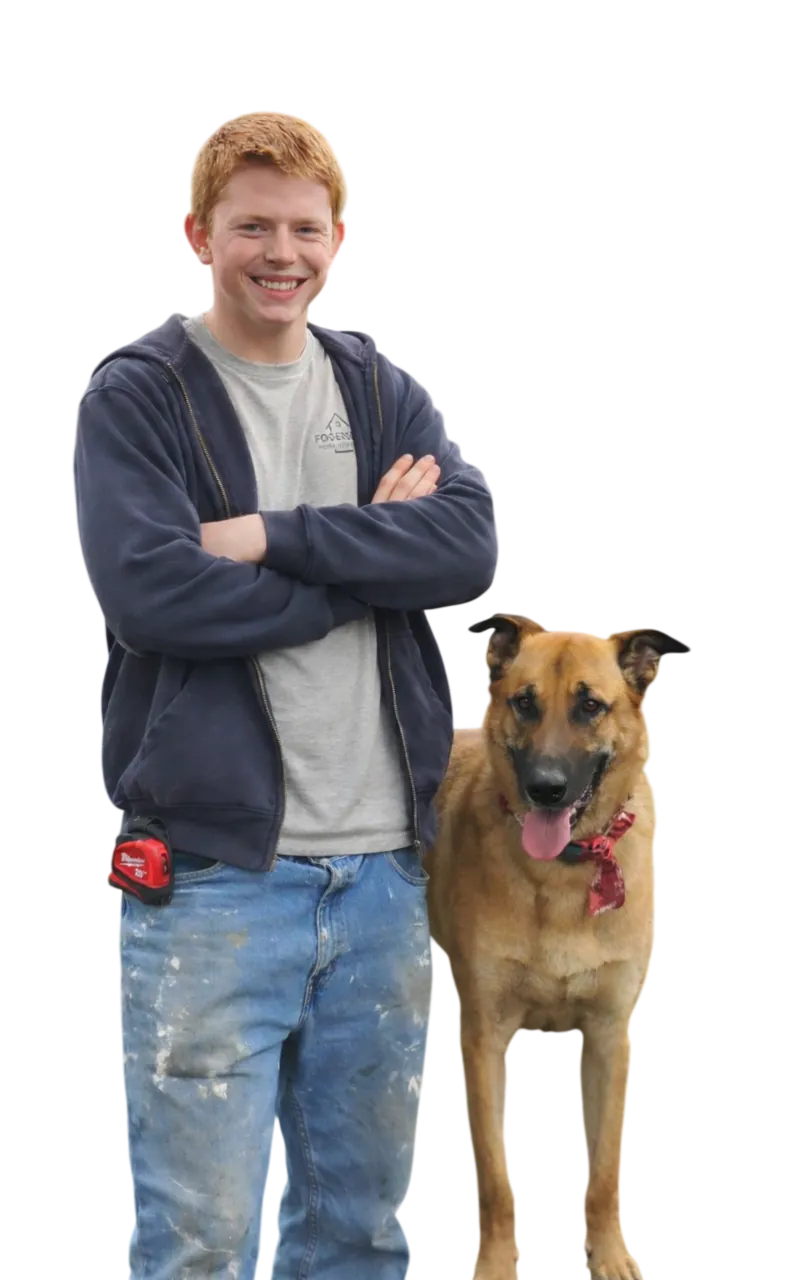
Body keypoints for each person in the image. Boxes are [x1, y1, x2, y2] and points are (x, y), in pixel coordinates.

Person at [73, 111, 499, 1279]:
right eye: (252, 226)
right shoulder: (138, 394)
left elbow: (466, 545)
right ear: (196, 235)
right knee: (197, 1245)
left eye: (306, 229)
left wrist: (266, 536)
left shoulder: (375, 384)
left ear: (339, 239)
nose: (281, 253)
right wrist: (365, 563)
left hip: (387, 878)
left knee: (359, 1238)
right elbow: (154, 596)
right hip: (215, 879)